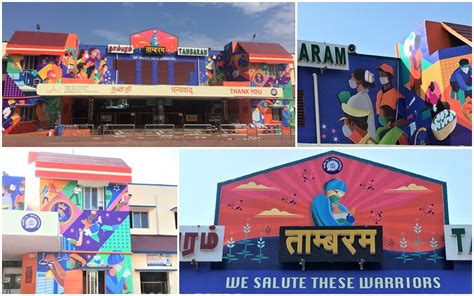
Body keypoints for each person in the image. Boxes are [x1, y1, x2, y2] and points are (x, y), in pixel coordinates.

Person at [346, 68, 376, 139]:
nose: (350, 79)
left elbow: (347, 120)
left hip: (365, 140)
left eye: (352, 77)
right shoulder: (365, 97)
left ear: (359, 81)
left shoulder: (358, 98)